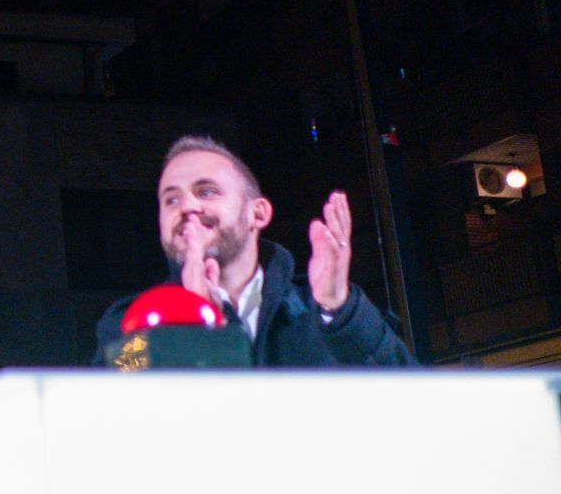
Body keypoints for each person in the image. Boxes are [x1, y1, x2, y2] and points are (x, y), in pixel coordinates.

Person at [94, 135, 417, 367]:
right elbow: (115, 420)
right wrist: (193, 327)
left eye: (206, 191)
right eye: (171, 199)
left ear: (257, 213)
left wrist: (339, 308)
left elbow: (412, 404)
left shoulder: (322, 314)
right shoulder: (129, 323)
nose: (188, 207)